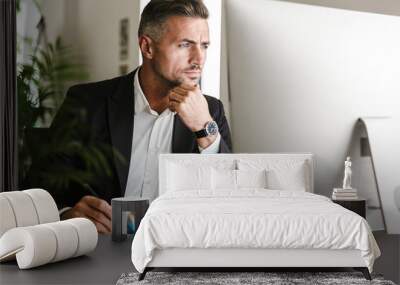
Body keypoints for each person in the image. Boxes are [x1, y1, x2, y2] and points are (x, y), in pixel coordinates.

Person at [47, 0, 232, 233]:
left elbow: (231, 198)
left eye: (204, 46)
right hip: (99, 250)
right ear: (147, 47)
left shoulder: (211, 111)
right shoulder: (87, 102)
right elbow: (40, 183)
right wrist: (66, 214)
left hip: (176, 254)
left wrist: (204, 129)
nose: (199, 58)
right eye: (185, 44)